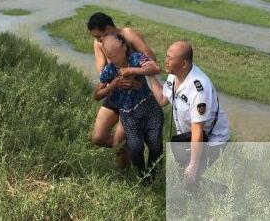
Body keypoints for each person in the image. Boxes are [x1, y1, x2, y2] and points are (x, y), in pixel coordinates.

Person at [148, 40, 230, 185]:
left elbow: (197, 130)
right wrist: (150, 75)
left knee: (189, 178)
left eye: (170, 58)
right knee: (186, 178)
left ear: (184, 64)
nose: (165, 61)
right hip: (188, 137)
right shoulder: (174, 75)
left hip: (211, 140)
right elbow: (162, 99)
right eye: (166, 56)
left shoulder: (199, 89)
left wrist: (193, 164)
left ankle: (220, 194)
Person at [87, 12, 158, 164]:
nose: (98, 40)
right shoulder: (99, 44)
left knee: (118, 142)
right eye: (95, 38)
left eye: (99, 35)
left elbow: (151, 59)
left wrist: (132, 72)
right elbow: (102, 71)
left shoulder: (128, 34)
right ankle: (132, 146)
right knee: (98, 138)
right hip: (115, 91)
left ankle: (126, 171)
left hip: (134, 95)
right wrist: (111, 82)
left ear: (109, 28)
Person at [93, 34, 164, 177]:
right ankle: (142, 178)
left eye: (116, 54)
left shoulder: (136, 58)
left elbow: (155, 68)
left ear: (124, 47)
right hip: (128, 115)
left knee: (155, 145)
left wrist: (132, 70)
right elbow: (97, 95)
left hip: (149, 108)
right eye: (110, 56)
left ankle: (153, 176)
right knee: (136, 148)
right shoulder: (109, 70)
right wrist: (112, 86)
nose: (114, 59)